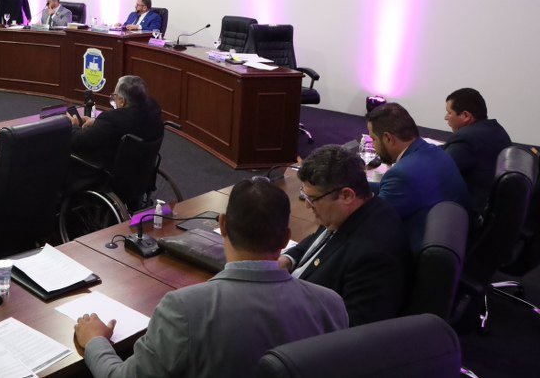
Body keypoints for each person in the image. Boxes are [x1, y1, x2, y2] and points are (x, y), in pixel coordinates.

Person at [73, 178, 348, 378]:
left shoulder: (184, 309)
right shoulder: (331, 304)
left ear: (223, 224)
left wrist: (95, 341)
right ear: (286, 238)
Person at [279, 144, 411, 326]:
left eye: (313, 199)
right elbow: (317, 241)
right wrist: (287, 259)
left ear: (346, 196)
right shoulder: (352, 211)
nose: (308, 205)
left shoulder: (373, 255)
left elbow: (351, 330)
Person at [366, 102, 472, 248]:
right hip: (454, 238)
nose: (373, 145)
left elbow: (373, 223)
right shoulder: (435, 151)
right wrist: (358, 185)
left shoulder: (402, 175)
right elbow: (390, 189)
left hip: (415, 250)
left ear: (388, 138)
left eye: (373, 139)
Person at [67, 75, 163, 172]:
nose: (113, 97)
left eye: (115, 95)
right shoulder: (154, 109)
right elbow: (123, 125)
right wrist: (98, 123)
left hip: (111, 173)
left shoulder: (111, 120)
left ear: (122, 101)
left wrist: (73, 125)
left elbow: (79, 142)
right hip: (142, 171)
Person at [443, 87, 512, 214]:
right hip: (496, 206)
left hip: (469, 212)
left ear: (465, 116)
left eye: (449, 113)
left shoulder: (465, 139)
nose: (446, 118)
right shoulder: (495, 129)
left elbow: (437, 170)